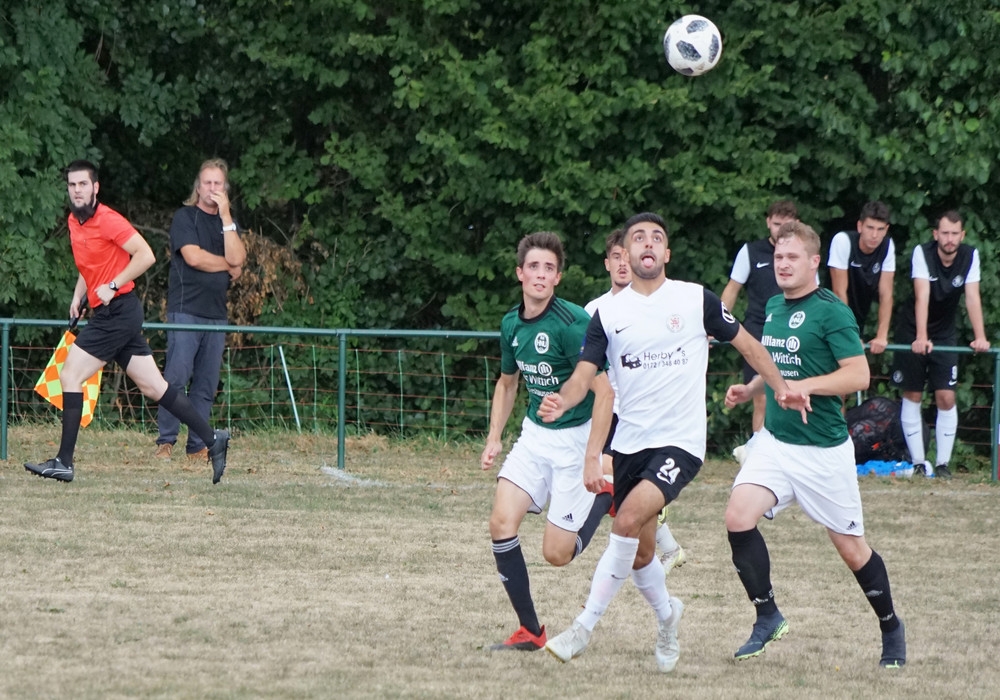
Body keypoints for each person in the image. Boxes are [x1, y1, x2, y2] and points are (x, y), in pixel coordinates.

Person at [538, 212, 805, 673]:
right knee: (642, 553)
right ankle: (668, 617)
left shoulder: (695, 299)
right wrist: (564, 398)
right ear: (624, 253)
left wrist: (780, 388)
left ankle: (583, 627)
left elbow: (748, 345)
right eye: (638, 237)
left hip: (680, 444)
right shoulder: (607, 314)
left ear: (666, 253)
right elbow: (585, 376)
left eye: (656, 238)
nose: (648, 243)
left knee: (625, 524)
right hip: (629, 445)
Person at [723, 221, 906, 668]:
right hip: (776, 443)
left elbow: (858, 375)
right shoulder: (773, 305)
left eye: (792, 257)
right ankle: (768, 616)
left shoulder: (831, 312)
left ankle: (891, 628)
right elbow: (776, 364)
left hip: (822, 452)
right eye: (778, 257)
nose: (783, 265)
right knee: (738, 517)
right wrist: (753, 389)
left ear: (813, 262)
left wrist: (806, 386)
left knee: (852, 550)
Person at [24, 160, 230, 484]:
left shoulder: (108, 220)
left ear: (95, 187)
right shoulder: (74, 222)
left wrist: (113, 284)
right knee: (154, 387)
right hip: (113, 313)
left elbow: (146, 254)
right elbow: (89, 266)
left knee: (70, 374)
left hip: (118, 311)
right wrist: (78, 297)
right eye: (72, 185)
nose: (77, 190)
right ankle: (213, 438)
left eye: (83, 184)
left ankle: (64, 461)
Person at [480, 231, 614, 652]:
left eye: (549, 268)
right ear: (520, 273)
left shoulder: (572, 324)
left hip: (574, 442)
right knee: (500, 523)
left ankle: (606, 493)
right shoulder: (511, 324)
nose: (540, 274)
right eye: (533, 266)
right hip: (534, 437)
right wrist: (494, 437)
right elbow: (507, 383)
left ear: (558, 278)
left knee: (557, 555)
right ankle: (530, 630)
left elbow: (605, 393)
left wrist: (593, 456)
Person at [585, 228, 685, 572]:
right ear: (607, 264)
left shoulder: (655, 306)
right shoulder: (594, 310)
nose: (622, 264)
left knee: (611, 474)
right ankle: (667, 545)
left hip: (642, 411)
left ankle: (657, 523)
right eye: (615, 257)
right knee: (613, 482)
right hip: (607, 409)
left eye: (626, 257)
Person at [156, 159, 246, 461]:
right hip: (185, 310)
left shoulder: (228, 223)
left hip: (216, 315)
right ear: (198, 186)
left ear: (225, 188)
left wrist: (226, 216)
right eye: (207, 182)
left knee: (206, 384)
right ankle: (165, 441)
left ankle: (196, 445)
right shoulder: (185, 217)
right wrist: (228, 264)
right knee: (176, 378)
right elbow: (193, 257)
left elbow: (239, 259)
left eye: (218, 183)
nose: (212, 188)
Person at [890, 210, 990, 479]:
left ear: (962, 235)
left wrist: (980, 336)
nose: (949, 239)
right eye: (944, 233)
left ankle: (943, 465)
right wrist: (921, 337)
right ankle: (918, 463)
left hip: (945, 332)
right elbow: (922, 295)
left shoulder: (970, 255)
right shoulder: (922, 253)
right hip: (913, 329)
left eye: (954, 234)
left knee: (946, 396)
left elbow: (972, 297)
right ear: (936, 234)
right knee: (912, 394)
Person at [721, 200, 799, 459]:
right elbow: (732, 288)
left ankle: (786, 452)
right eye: (777, 224)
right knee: (763, 396)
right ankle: (758, 455)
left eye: (787, 225)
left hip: (792, 330)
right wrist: (716, 324)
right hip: (757, 331)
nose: (781, 230)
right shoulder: (750, 251)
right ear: (768, 222)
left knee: (791, 392)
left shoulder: (802, 254)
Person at [827, 201, 896, 354]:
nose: (874, 235)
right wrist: (851, 334)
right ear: (860, 226)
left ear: (886, 230)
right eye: (870, 228)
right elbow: (839, 292)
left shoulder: (887, 246)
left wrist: (882, 336)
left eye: (880, 229)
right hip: (828, 319)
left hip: (856, 321)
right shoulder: (843, 240)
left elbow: (886, 294)